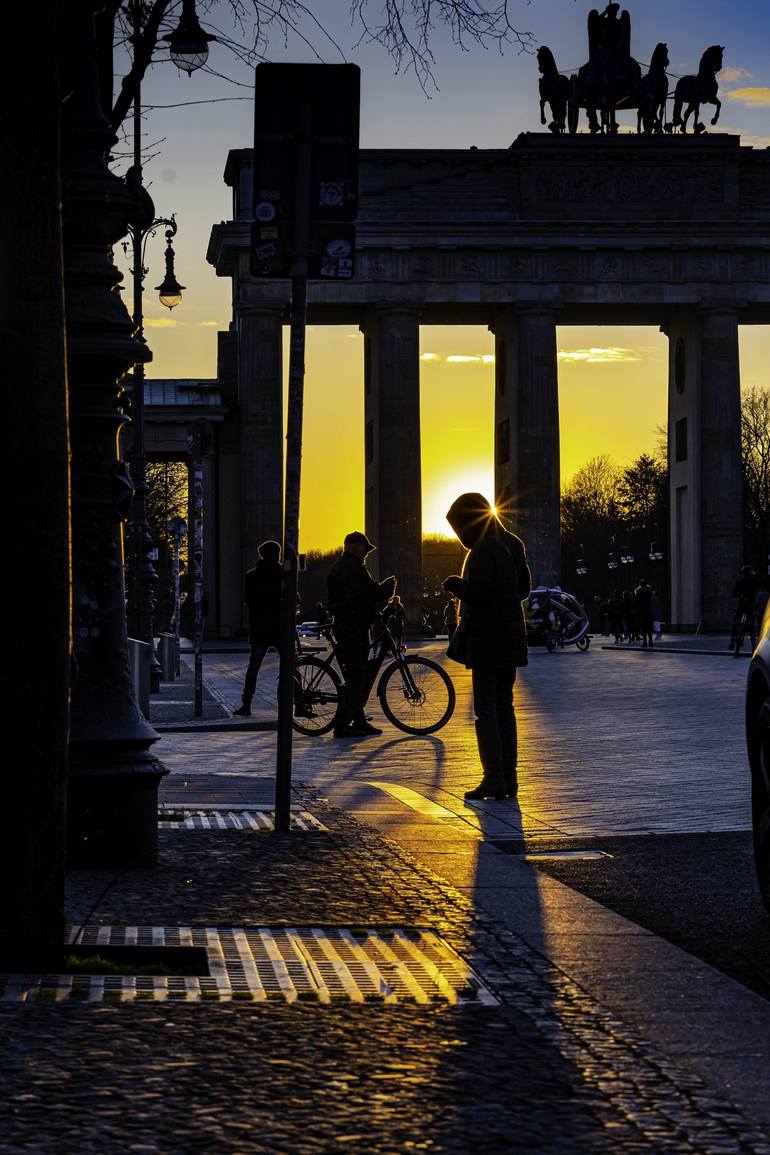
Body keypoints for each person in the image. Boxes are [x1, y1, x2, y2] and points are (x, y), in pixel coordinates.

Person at [443, 493, 531, 801]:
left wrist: (457, 585)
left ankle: (493, 777)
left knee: (486, 710)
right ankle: (510, 778)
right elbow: (524, 590)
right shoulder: (513, 543)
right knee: (505, 708)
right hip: (511, 635)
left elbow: (478, 593)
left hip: (487, 637)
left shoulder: (483, 547)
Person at [327, 531, 396, 738]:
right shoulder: (351, 568)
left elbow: (364, 592)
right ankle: (341, 725)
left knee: (356, 676)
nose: (366, 553)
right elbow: (367, 592)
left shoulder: (348, 567)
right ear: (354, 547)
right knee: (357, 678)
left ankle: (358, 721)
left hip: (353, 625)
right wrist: (386, 589)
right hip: (352, 627)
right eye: (364, 549)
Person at [233, 540, 283, 717]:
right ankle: (297, 702)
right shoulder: (283, 573)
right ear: (276, 555)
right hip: (279, 627)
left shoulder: (251, 576)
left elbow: (248, 600)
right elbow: (295, 599)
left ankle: (246, 704)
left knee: (253, 667)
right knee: (291, 666)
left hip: (259, 627)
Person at [730, 565, 767, 651]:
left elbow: (733, 594)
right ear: (750, 573)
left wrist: (740, 595)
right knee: (752, 627)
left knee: (735, 622)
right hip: (751, 606)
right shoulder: (754, 582)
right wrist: (756, 574)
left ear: (743, 574)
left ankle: (732, 641)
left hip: (742, 606)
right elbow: (765, 582)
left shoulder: (739, 582)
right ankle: (753, 646)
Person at [634, 578, 655, 648]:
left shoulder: (638, 591)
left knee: (643, 628)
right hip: (648, 611)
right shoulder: (649, 591)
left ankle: (645, 643)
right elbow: (652, 601)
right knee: (649, 628)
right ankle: (651, 642)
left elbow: (637, 602)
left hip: (641, 611)